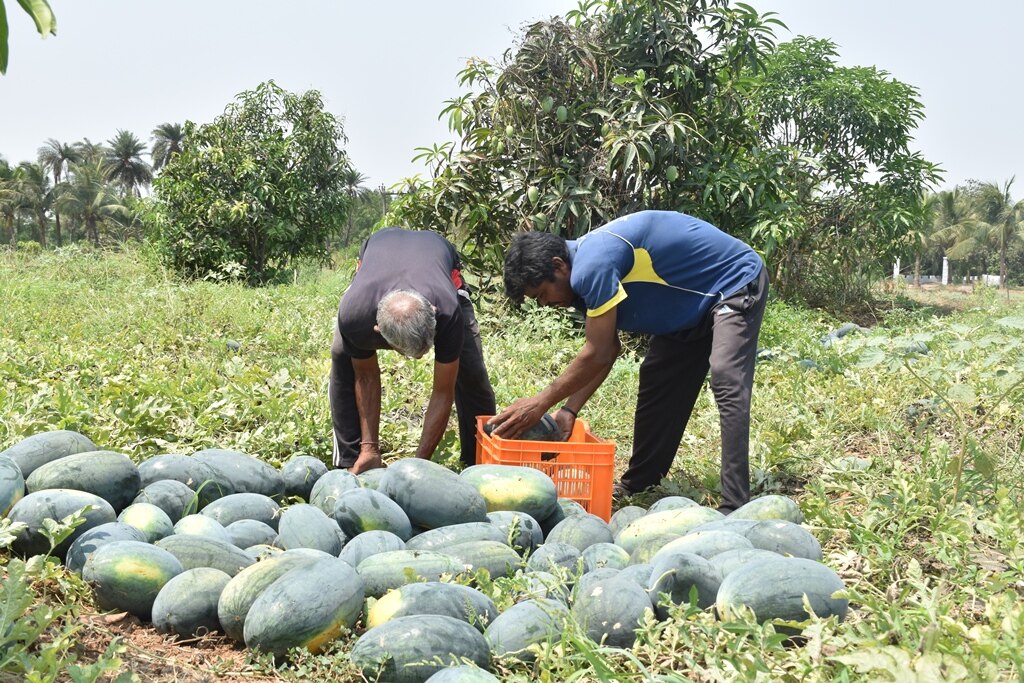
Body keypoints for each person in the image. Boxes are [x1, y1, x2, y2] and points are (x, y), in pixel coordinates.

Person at [488, 210, 768, 512]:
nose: (545, 304)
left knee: (726, 376)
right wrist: (569, 410)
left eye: (543, 293)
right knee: (657, 377)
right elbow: (606, 351)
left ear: (559, 265)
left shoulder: (591, 265)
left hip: (734, 282)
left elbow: (596, 352)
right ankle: (640, 482)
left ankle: (735, 505)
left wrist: (540, 402)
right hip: (687, 312)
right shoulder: (579, 278)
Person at [330, 227, 496, 473]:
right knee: (342, 356)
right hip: (377, 259)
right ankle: (355, 458)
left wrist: (418, 465)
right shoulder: (355, 314)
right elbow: (366, 377)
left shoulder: (447, 311)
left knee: (471, 371)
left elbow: (443, 391)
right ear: (377, 330)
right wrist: (370, 448)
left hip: (437, 260)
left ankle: (478, 460)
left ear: (433, 313)